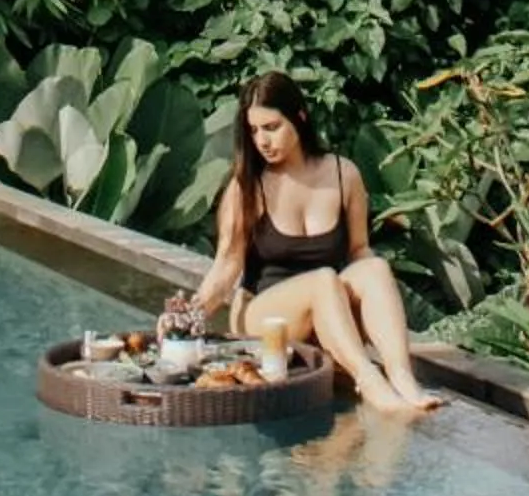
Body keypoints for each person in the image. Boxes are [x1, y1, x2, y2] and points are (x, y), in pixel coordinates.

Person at [165, 70, 443, 419]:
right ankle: (370, 380)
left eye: (271, 127)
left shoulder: (343, 174)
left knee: (374, 267)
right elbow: (227, 265)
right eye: (254, 131)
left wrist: (369, 303)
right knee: (323, 279)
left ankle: (402, 377)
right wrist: (187, 318)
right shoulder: (247, 186)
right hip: (265, 317)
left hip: (328, 307)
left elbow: (359, 250)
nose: (262, 141)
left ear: (299, 117)